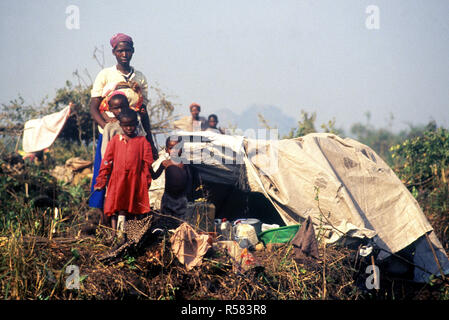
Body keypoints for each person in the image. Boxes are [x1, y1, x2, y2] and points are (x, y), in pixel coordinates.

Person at [88, 33, 157, 224]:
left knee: (132, 174)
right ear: (114, 52)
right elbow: (93, 107)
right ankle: (97, 217)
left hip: (135, 135)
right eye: (120, 50)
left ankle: (131, 215)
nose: (124, 54)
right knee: (105, 171)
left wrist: (149, 139)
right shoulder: (105, 75)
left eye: (127, 50)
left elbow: (142, 111)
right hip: (111, 136)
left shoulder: (140, 77)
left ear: (133, 51)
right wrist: (107, 127)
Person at [94, 108, 154, 239]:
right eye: (126, 126)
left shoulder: (142, 141)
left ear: (136, 124)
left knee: (134, 208)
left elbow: (147, 163)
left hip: (135, 181)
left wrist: (146, 181)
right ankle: (117, 236)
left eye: (132, 125)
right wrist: (102, 180)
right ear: (120, 125)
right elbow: (107, 161)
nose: (129, 128)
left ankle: (133, 236)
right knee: (117, 207)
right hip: (118, 180)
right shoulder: (115, 141)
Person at [151, 136, 192, 218]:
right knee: (167, 218)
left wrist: (187, 194)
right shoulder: (165, 163)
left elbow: (189, 179)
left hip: (181, 198)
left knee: (181, 219)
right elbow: (155, 176)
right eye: (171, 148)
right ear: (166, 150)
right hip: (167, 197)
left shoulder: (185, 163)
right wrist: (149, 168)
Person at [100, 91, 145, 159]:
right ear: (110, 109)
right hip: (116, 163)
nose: (120, 110)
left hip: (135, 160)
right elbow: (105, 150)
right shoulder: (110, 127)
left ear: (128, 106)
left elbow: (142, 139)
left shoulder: (135, 122)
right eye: (116, 108)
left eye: (123, 107)